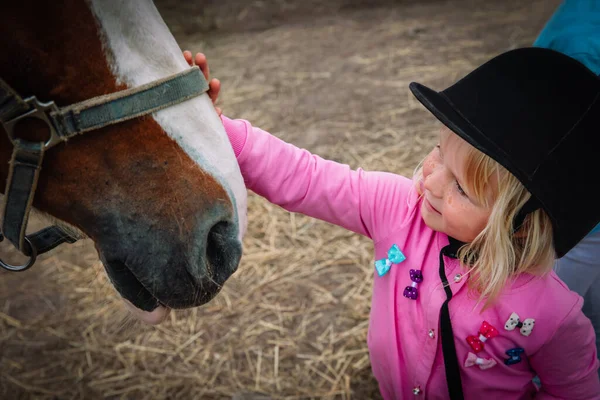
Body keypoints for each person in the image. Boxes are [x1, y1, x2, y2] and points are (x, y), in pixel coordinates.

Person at [184, 46, 600, 398]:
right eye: (438, 152)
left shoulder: (552, 316)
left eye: (461, 189)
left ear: (522, 226)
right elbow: (307, 178)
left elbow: (575, 391)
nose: (432, 182)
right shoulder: (398, 207)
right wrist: (214, 130)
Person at [533, 0, 600, 378]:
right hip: (578, 216)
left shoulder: (583, 33)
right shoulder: (584, 35)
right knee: (572, 317)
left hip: (578, 217)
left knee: (557, 324)